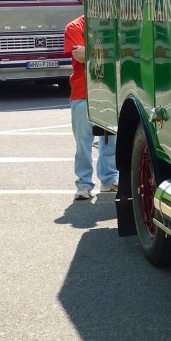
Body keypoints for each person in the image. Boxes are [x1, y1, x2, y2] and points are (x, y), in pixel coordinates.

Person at [65, 14, 117, 201]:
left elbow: (85, 54)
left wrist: (90, 53)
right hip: (82, 92)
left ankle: (109, 180)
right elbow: (79, 56)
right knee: (83, 143)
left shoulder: (112, 22)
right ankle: (83, 184)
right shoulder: (75, 26)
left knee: (110, 140)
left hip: (109, 91)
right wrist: (111, 54)